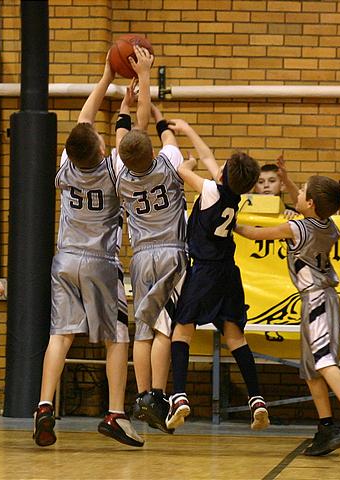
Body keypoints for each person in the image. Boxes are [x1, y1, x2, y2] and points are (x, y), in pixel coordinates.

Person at [33, 46, 153, 449]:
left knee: (61, 335)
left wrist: (106, 78)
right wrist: (138, 91)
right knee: (118, 336)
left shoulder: (66, 166)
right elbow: (137, 138)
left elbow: (84, 122)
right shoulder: (116, 169)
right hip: (100, 261)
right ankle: (116, 414)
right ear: (102, 149)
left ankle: (44, 406)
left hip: (65, 258)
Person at [235, 175, 340, 456]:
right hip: (322, 299)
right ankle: (326, 425)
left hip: (318, 298)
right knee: (311, 370)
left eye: (301, 192)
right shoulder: (330, 225)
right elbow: (307, 204)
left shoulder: (296, 228)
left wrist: (227, 222)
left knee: (323, 361)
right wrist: (285, 181)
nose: (295, 193)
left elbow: (253, 233)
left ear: (310, 203)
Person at [164, 118, 269, 432]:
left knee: (182, 331)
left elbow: (184, 171)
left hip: (205, 272)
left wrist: (189, 161)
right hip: (228, 274)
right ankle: (257, 399)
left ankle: (179, 395)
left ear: (222, 175)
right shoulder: (233, 195)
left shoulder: (211, 189)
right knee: (235, 338)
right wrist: (189, 130)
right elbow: (211, 156)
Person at [115, 103, 188, 434]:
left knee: (142, 329)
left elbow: (124, 138)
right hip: (171, 253)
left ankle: (144, 395)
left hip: (141, 255)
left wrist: (124, 108)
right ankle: (158, 394)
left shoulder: (120, 173)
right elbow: (168, 138)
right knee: (164, 329)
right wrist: (159, 117)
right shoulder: (168, 164)